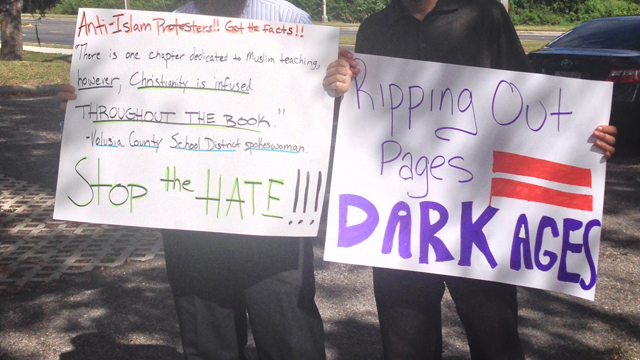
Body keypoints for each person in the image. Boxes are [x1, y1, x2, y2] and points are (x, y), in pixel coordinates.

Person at [323, 0, 618, 359]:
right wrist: (336, 89)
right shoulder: (374, 28)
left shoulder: (485, 14)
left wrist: (582, 140)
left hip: (478, 226)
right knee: (405, 347)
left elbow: (533, 102)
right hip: (401, 227)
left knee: (496, 340)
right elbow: (363, 114)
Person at [59, 1, 326, 359]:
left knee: (289, 336)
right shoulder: (161, 30)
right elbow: (131, 112)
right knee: (208, 338)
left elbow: (316, 110)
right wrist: (81, 109)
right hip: (191, 215)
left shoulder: (290, 20)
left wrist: (336, 85)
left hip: (270, 214)